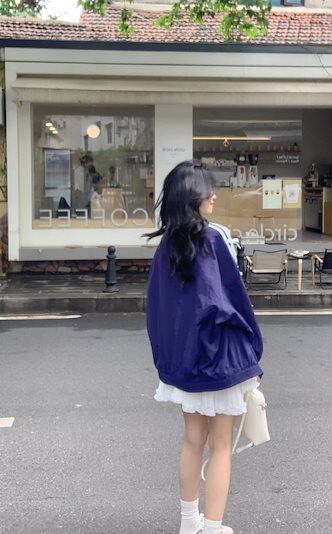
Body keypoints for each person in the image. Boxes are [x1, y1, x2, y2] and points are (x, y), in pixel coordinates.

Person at [143, 161, 264, 534]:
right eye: (206, 190)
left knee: (192, 440)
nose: (213, 195)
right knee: (221, 445)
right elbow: (229, 300)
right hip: (219, 359)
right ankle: (212, 528)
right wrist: (252, 345)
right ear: (190, 197)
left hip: (185, 359)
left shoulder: (167, 246)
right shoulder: (212, 238)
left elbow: (159, 308)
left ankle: (188, 523)